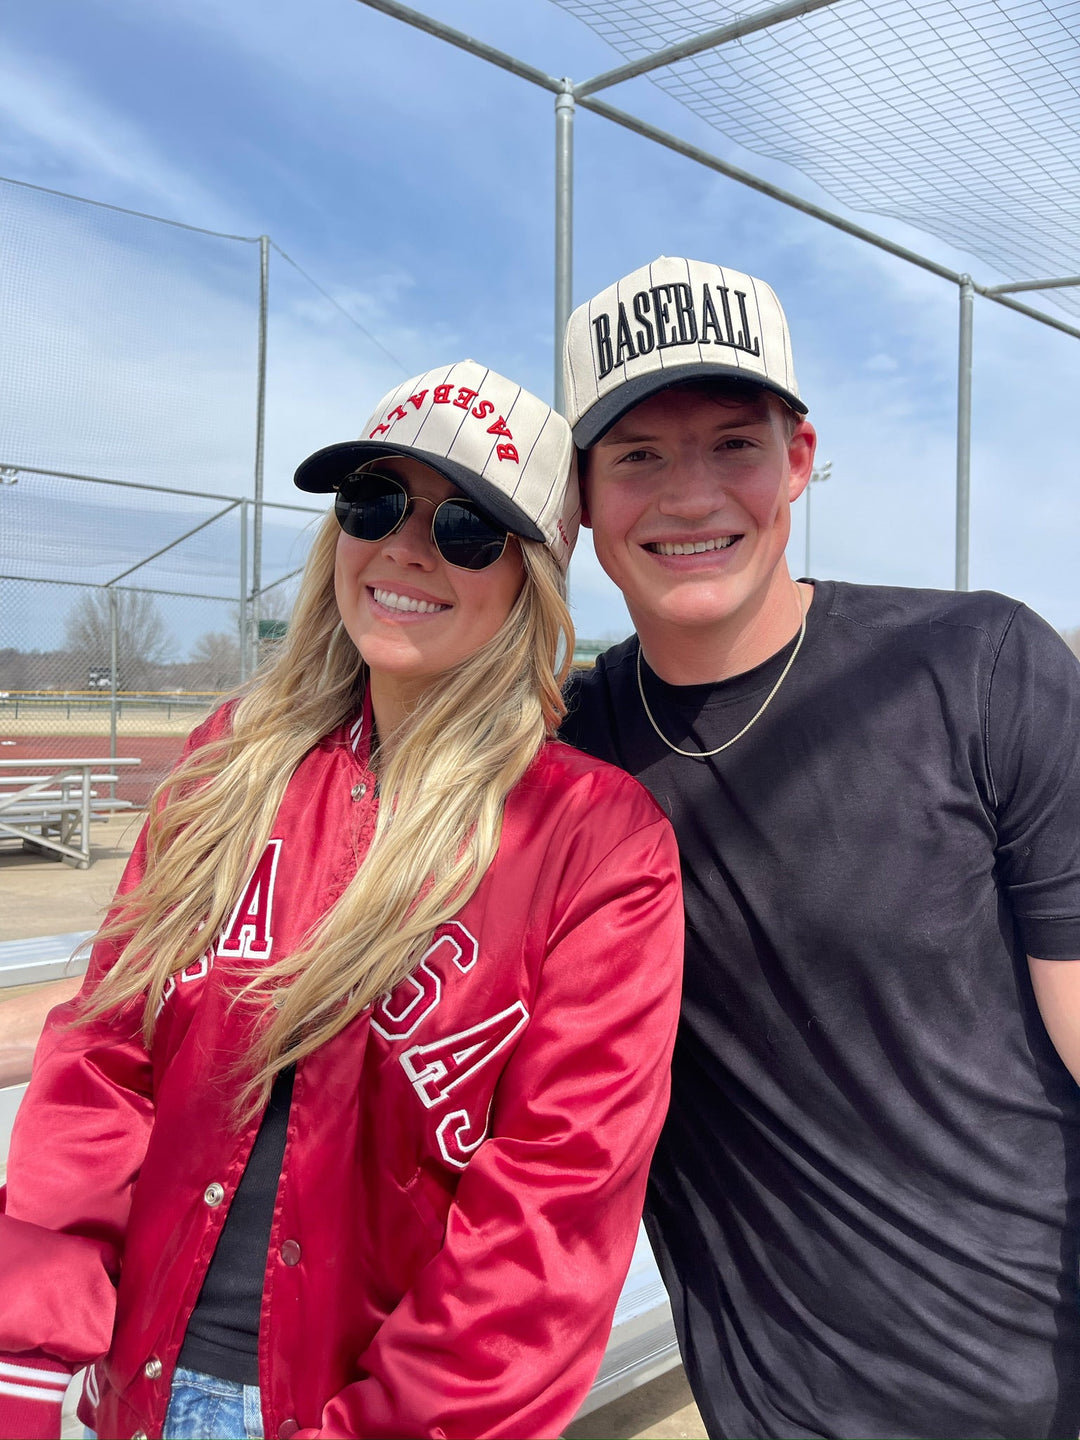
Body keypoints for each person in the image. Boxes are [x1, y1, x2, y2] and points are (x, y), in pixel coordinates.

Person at [0, 360, 684, 1440]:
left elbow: (550, 1215)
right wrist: (31, 1352)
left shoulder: (596, 842)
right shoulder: (229, 761)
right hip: (138, 1378)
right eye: (374, 503)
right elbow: (105, 1059)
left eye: (468, 528)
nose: (408, 546)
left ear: (531, 580)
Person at [560, 256, 1080, 1440]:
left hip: (1042, 1388)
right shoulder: (564, 757)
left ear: (798, 461)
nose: (690, 497)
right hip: (776, 1408)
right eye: (638, 456)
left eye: (733, 443)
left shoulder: (980, 666)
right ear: (581, 504)